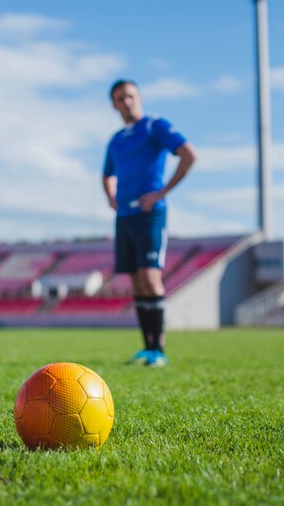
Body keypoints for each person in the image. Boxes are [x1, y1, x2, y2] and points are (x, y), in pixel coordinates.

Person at [102, 79, 197, 367]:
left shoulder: (155, 126)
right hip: (125, 216)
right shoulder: (117, 139)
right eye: (120, 98)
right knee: (136, 280)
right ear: (114, 105)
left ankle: (160, 350)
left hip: (150, 214)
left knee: (151, 276)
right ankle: (147, 348)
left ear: (138, 98)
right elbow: (107, 174)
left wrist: (162, 193)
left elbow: (188, 155)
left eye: (130, 96)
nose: (126, 102)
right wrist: (111, 197)